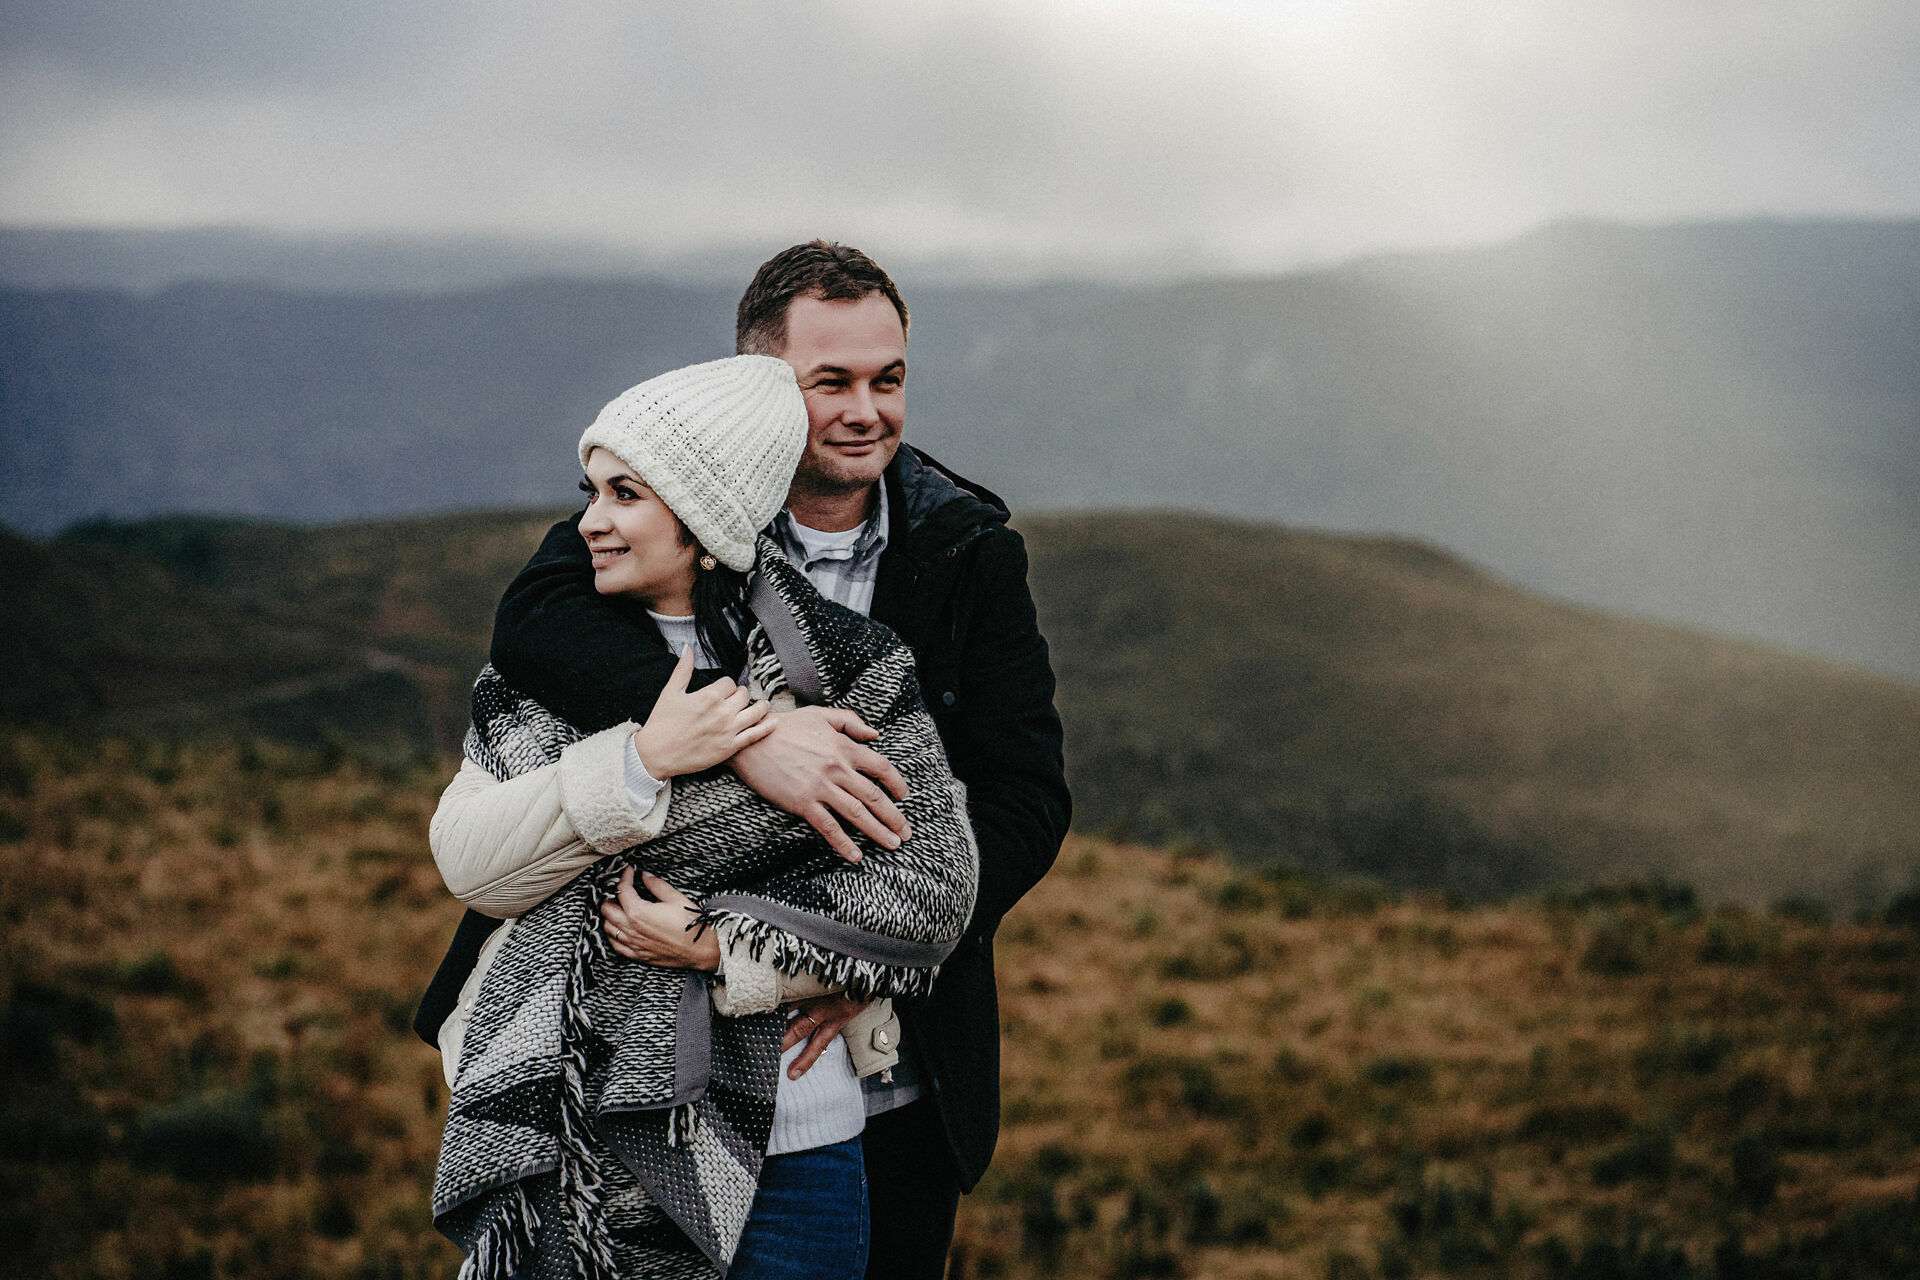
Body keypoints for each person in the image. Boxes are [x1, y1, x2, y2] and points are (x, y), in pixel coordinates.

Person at [417, 240, 1072, 1277]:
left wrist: (870, 952)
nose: (868, 409)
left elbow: (1025, 792)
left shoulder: (963, 547)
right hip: (632, 1081)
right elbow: (531, 624)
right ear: (764, 391)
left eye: (889, 379)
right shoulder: (664, 504)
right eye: (834, 383)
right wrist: (749, 737)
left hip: (878, 1081)